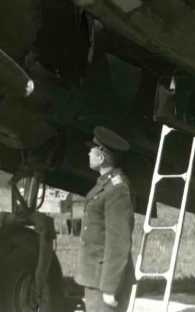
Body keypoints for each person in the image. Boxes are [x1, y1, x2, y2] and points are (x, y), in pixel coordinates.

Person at [76, 126, 135, 311]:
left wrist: (110, 286)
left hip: (105, 279)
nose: (88, 153)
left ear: (101, 158)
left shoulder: (117, 189)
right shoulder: (106, 184)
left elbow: (119, 241)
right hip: (96, 276)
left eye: (91, 151)